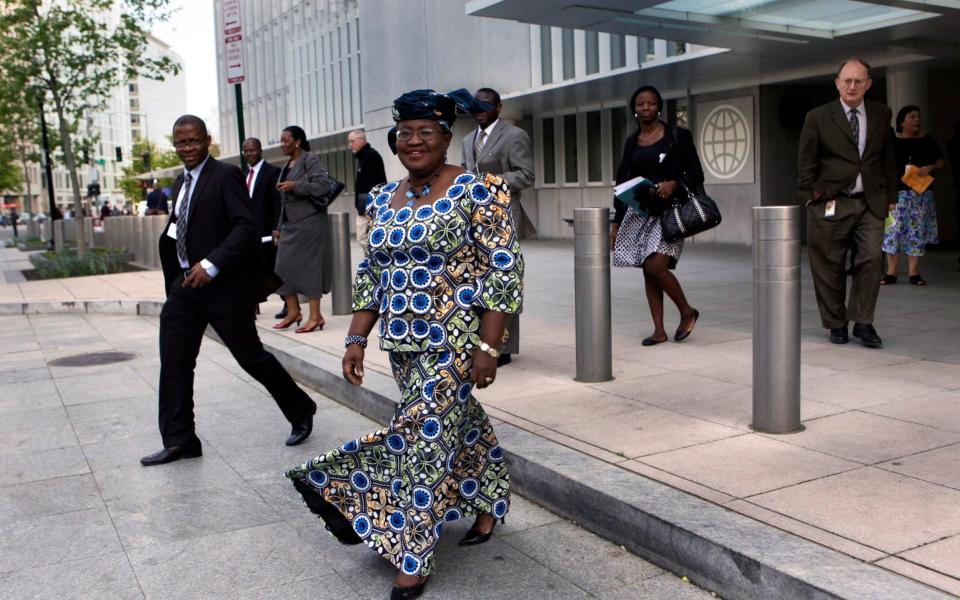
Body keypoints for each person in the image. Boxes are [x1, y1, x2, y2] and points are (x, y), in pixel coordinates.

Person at [286, 89, 523, 600]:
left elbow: (504, 269)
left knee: (419, 441)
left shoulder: (482, 191)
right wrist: (355, 339)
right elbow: (372, 273)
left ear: (446, 138)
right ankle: (488, 501)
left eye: (426, 132)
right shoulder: (382, 199)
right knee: (452, 427)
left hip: (456, 340)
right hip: (402, 344)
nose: (414, 141)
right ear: (394, 140)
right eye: (405, 133)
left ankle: (410, 554)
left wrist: (489, 345)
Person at [140, 115, 317, 467]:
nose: (187, 148)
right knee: (174, 361)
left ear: (207, 141)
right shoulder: (179, 183)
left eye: (193, 141)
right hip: (185, 287)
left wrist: (211, 264)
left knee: (250, 357)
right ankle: (181, 439)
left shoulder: (225, 176)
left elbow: (245, 227)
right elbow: (179, 228)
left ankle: (300, 407)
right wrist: (179, 275)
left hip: (223, 287)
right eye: (180, 143)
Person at [797, 58, 897, 348]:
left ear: (868, 84)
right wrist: (809, 199)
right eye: (847, 81)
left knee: (870, 260)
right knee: (829, 265)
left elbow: (888, 156)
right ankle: (836, 323)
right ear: (837, 83)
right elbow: (806, 161)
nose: (852, 86)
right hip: (830, 201)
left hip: (870, 202)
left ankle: (863, 322)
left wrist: (892, 196)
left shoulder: (881, 113)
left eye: (858, 81)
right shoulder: (818, 117)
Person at [610, 85, 704, 346]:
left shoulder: (678, 136)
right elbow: (622, 183)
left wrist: (673, 183)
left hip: (671, 214)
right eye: (640, 104)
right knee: (647, 270)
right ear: (634, 110)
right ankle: (659, 330)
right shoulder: (631, 142)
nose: (646, 108)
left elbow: (696, 174)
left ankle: (687, 311)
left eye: (651, 103)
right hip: (640, 213)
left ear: (659, 107)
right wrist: (616, 222)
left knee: (656, 266)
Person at [461, 87, 534, 366]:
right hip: (473, 221)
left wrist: (488, 182)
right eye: (475, 105)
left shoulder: (515, 136)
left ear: (498, 107)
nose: (479, 108)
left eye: (486, 104)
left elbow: (526, 175)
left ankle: (504, 348)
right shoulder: (468, 139)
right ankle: (483, 340)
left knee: (504, 282)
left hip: (503, 220)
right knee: (478, 282)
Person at [272, 126, 334, 333]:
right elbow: (284, 201)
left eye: (285, 140)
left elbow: (323, 185)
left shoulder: (310, 160)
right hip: (291, 225)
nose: (282, 144)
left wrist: (295, 186)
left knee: (310, 270)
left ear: (297, 141)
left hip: (311, 223)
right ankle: (293, 311)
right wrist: (279, 227)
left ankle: (315, 317)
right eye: (280, 140)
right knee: (281, 269)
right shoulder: (287, 165)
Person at [881, 106, 944, 286]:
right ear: (902, 121)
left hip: (921, 194)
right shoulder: (893, 142)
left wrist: (930, 167)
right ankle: (891, 272)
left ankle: (914, 273)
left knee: (916, 232)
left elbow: (941, 162)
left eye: (918, 117)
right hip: (897, 194)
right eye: (912, 117)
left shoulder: (928, 140)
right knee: (893, 231)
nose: (917, 120)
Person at [242, 137, 284, 303]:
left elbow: (277, 203)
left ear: (260, 151)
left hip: (268, 230)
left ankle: (289, 303)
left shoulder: (272, 172)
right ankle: (254, 304)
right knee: (254, 268)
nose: (249, 154)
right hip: (251, 232)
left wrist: (277, 227)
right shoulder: (244, 174)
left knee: (272, 268)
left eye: (252, 150)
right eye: (245, 151)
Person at [348, 129, 387, 246]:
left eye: (352, 141)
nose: (349, 145)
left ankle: (374, 262)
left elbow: (377, 185)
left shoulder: (371, 156)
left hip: (369, 210)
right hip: (364, 208)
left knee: (364, 239)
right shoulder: (364, 157)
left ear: (361, 140)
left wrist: (370, 210)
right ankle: (373, 262)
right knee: (364, 240)